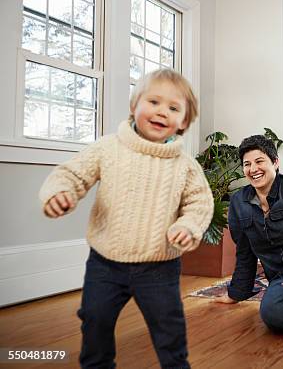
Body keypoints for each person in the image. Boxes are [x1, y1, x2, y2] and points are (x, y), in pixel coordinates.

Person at [39, 68, 214, 369]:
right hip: (106, 262)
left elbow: (200, 202)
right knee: (95, 320)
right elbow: (73, 173)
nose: (162, 112)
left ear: (183, 122)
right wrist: (59, 192)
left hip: (159, 267)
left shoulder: (184, 165)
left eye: (173, 108)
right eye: (154, 102)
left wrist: (188, 225)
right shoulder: (108, 148)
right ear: (135, 106)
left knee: (169, 331)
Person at [214, 135, 283, 334]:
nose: (253, 169)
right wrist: (236, 293)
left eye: (259, 161)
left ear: (275, 162)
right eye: (247, 164)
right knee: (271, 311)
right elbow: (245, 253)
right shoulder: (238, 202)